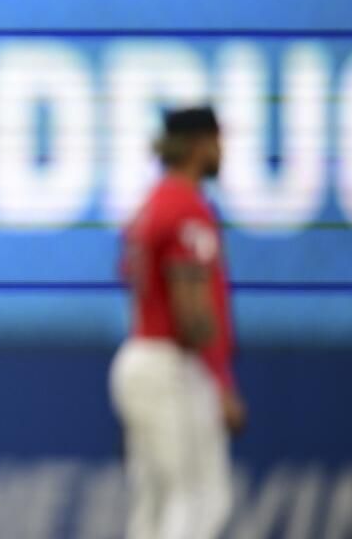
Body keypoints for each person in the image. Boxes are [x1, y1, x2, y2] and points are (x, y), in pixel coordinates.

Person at [110, 105, 246, 539]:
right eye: (217, 140)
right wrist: (220, 379)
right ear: (198, 145)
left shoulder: (150, 204)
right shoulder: (187, 207)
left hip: (139, 356)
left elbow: (131, 276)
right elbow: (191, 305)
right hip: (173, 365)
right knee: (201, 499)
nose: (222, 150)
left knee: (154, 506)